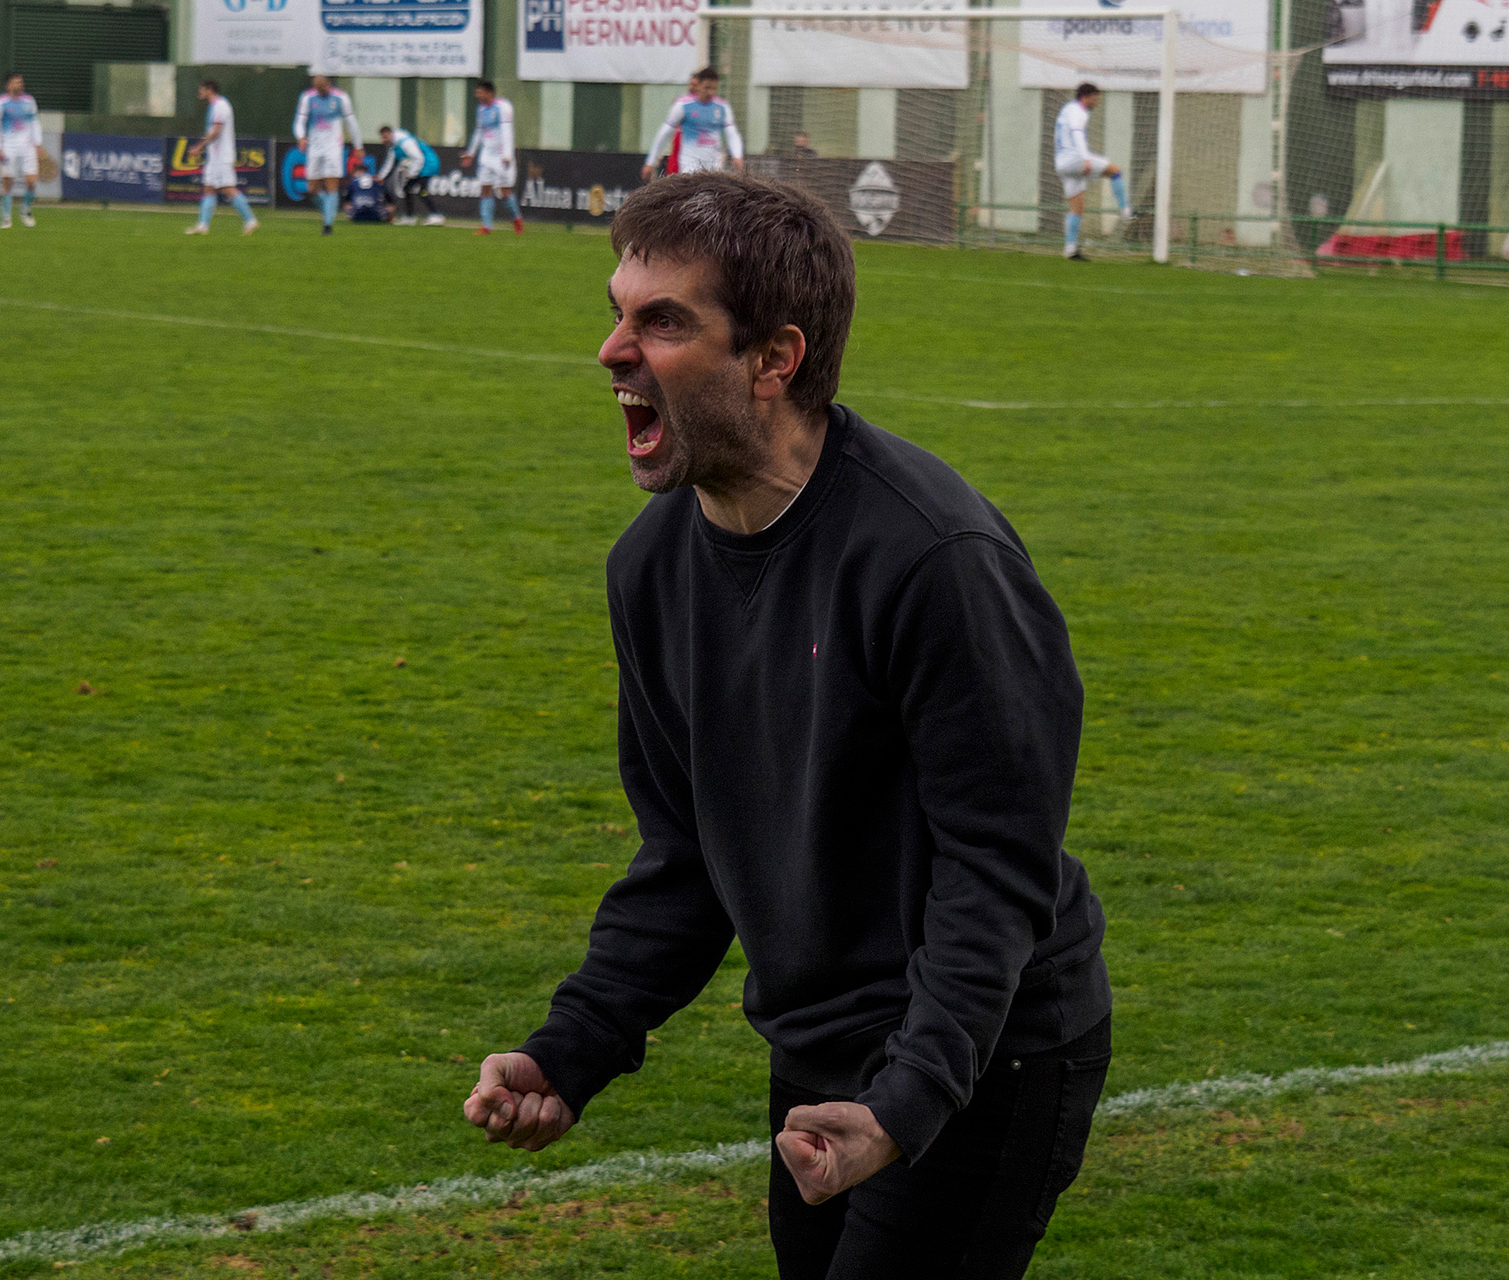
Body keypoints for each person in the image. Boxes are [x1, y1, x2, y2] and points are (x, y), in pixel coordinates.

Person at [461, 173, 1112, 1280]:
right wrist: (571, 1048)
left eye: (662, 321)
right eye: (615, 311)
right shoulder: (651, 567)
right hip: (819, 1050)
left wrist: (906, 1101)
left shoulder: (935, 560)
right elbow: (685, 858)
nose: (614, 350)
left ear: (776, 358)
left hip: (987, 1051)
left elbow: (993, 869)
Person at [1053, 83, 1131, 261]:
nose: (1096, 102)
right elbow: (1077, 133)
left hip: (1062, 163)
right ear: (1085, 97)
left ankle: (1070, 249)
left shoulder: (1066, 109)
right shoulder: (1078, 111)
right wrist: (1085, 158)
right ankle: (1126, 212)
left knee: (1076, 208)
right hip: (1075, 159)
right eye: (1095, 98)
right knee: (1115, 171)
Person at [641, 67, 745, 181]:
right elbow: (664, 134)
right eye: (707, 88)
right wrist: (650, 162)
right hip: (689, 163)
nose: (711, 92)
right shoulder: (683, 106)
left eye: (714, 88)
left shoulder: (722, 107)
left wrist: (737, 155)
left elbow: (732, 134)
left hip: (715, 164)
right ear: (698, 86)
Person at [185, 81, 260, 237]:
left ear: (209, 90)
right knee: (208, 188)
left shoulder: (221, 106)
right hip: (214, 156)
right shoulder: (213, 106)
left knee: (227, 189)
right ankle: (203, 225)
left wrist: (199, 147)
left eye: (201, 90)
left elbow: (216, 132)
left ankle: (251, 220)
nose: (199, 93)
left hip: (222, 156)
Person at [293, 74, 364, 235]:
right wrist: (301, 136)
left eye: (322, 87)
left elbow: (351, 122)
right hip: (314, 147)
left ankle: (327, 225)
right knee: (312, 188)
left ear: (328, 84)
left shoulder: (341, 98)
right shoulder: (307, 97)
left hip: (333, 147)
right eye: (317, 88)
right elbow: (299, 121)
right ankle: (328, 211)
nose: (320, 90)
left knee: (332, 185)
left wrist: (358, 145)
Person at [461, 82, 521, 235]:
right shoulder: (480, 109)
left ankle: (517, 220)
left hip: (501, 156)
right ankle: (487, 226)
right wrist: (471, 153)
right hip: (487, 155)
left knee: (505, 192)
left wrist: (507, 154)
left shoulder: (503, 107)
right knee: (485, 189)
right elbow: (479, 131)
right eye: (477, 92)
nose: (477, 95)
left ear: (489, 93)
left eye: (480, 92)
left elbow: (507, 131)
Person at [0, 72, 44, 230]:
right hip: (8, 148)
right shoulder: (0, 103)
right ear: (8, 85)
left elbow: (34, 122)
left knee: (32, 182)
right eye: (15, 82)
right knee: (8, 181)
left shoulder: (29, 101)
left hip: (28, 147)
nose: (19, 85)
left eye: (20, 82)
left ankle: (26, 210)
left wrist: (38, 144)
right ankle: (6, 217)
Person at [376, 125, 443, 226]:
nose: (383, 140)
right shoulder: (394, 145)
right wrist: (380, 176)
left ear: (390, 134)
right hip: (420, 165)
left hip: (428, 164)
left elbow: (418, 157)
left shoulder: (404, 142)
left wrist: (411, 174)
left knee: (421, 190)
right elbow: (389, 162)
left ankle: (436, 216)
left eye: (384, 137)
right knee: (407, 189)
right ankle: (410, 217)